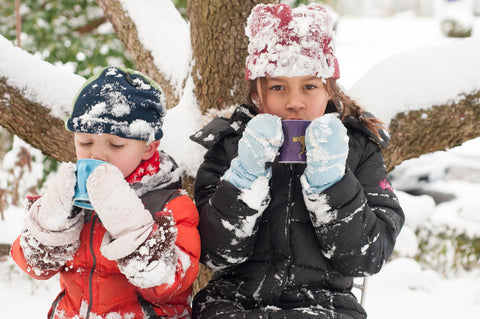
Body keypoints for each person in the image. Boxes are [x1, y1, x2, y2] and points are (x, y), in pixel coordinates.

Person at [190, 3, 404, 318]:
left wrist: (333, 183)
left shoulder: (357, 148)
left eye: (309, 86)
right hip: (234, 306)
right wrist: (243, 179)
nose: (294, 102)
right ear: (257, 94)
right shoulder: (230, 145)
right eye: (278, 87)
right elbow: (214, 255)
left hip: (327, 308)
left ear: (329, 90)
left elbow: (367, 258)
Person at [10, 66, 200, 319]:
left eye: (116, 144)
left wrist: (130, 225)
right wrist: (48, 223)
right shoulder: (72, 196)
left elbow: (169, 283)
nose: (97, 155)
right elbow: (35, 266)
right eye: (85, 142)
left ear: (148, 147)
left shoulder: (170, 205)